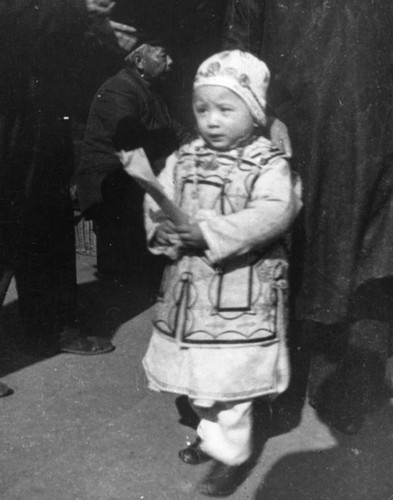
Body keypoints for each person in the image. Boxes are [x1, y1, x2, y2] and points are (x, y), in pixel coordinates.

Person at [128, 50, 302, 496]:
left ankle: (232, 453)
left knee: (233, 380)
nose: (212, 121)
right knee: (202, 377)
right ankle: (212, 434)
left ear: (255, 112)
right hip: (192, 293)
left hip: (240, 292)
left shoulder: (268, 163)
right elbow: (159, 197)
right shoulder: (186, 156)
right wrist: (163, 227)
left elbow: (274, 211)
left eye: (226, 109)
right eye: (202, 109)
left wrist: (207, 233)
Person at [223, 1, 393, 434]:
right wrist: (264, 116)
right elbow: (238, 52)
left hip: (370, 133)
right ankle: (255, 401)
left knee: (358, 262)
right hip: (291, 132)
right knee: (278, 262)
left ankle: (335, 387)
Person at [0, 0, 121, 357]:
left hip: (41, 103)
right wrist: (78, 11)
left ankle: (53, 327)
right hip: (7, 107)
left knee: (48, 218)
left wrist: (92, 29)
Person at [74, 37, 188, 283]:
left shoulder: (150, 91)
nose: (171, 62)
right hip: (112, 187)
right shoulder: (120, 89)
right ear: (139, 61)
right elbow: (132, 151)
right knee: (126, 278)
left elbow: (176, 133)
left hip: (133, 181)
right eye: (163, 55)